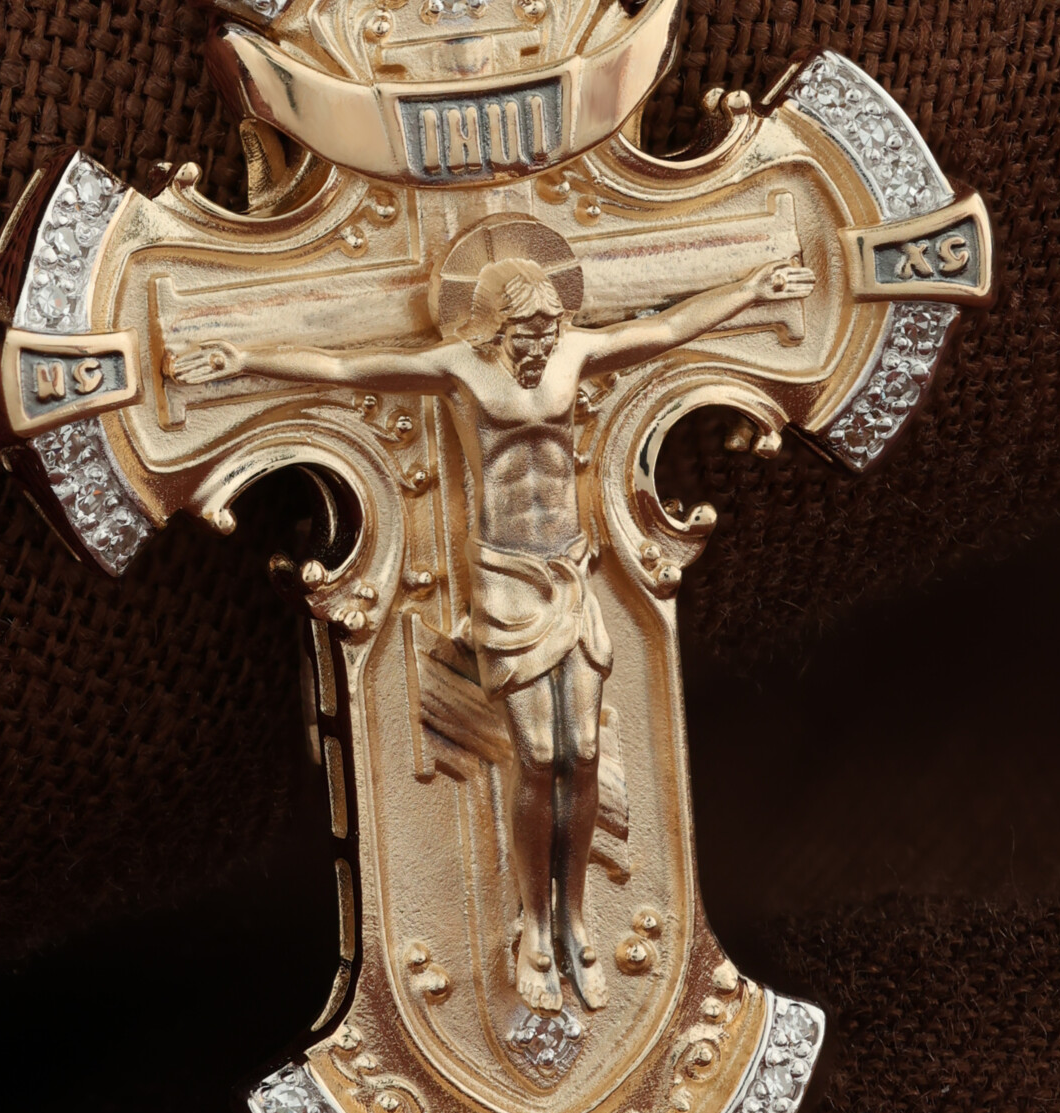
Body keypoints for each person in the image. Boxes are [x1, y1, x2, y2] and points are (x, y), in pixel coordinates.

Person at [169, 249, 814, 1016]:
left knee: (581, 754)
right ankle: (534, 926)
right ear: (497, 328)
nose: (542, 342)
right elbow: (346, 368)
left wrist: (750, 289)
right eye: (528, 330)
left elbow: (668, 329)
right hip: (507, 581)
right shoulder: (462, 370)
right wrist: (244, 357)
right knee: (538, 756)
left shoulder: (573, 352)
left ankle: (572, 920)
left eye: (550, 327)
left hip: (568, 572)